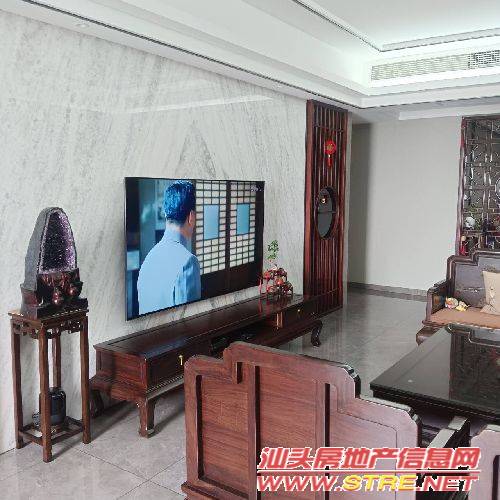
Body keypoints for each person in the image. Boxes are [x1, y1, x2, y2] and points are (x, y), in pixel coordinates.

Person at [137, 180, 201, 314]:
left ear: (165, 214)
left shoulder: (149, 257)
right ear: (191, 217)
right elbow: (189, 318)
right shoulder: (188, 262)